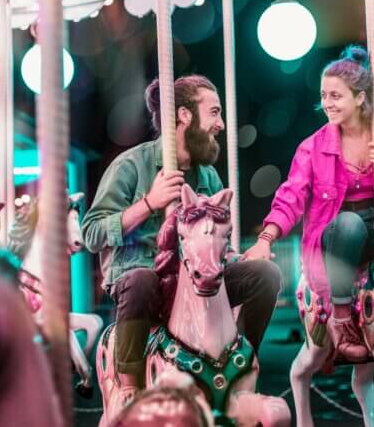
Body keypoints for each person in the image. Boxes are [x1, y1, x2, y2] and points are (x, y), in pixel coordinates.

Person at [82, 75, 282, 404]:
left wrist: (238, 258)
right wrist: (149, 203)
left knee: (266, 275)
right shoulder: (132, 165)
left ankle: (239, 364)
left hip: (197, 278)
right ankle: (129, 386)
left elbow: (216, 244)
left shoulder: (208, 176)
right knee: (142, 279)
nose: (220, 124)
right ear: (185, 115)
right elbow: (92, 233)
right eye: (214, 113)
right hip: (146, 275)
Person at [244, 45, 374, 361]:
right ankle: (342, 315)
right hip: (339, 235)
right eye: (323, 96)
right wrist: (267, 238)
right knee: (349, 225)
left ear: (360, 98)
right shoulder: (313, 147)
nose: (326, 104)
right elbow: (291, 195)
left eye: (336, 96)